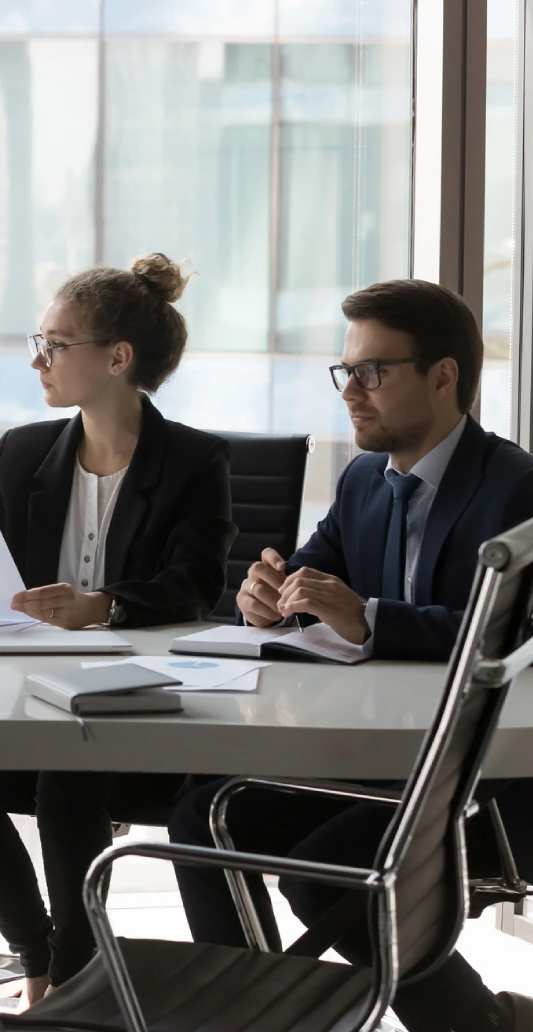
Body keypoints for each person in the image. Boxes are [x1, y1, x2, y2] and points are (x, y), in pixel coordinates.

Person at [169, 278, 533, 1032]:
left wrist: (369, 619)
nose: (350, 392)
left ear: (442, 376)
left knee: (336, 879)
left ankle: (480, 1026)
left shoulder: (514, 485)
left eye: (372, 372)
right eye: (346, 372)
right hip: (372, 752)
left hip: (476, 772)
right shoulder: (365, 477)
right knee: (203, 818)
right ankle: (252, 1016)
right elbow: (310, 571)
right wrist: (266, 594)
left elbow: (509, 636)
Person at [0, 256, 237, 1005]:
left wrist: (102, 604)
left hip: (149, 711)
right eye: (38, 341)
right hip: (30, 695)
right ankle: (41, 961)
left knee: (66, 779)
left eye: (55, 343)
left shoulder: (194, 461)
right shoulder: (26, 452)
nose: (38, 360)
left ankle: (75, 980)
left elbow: (197, 585)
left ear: (117, 358)